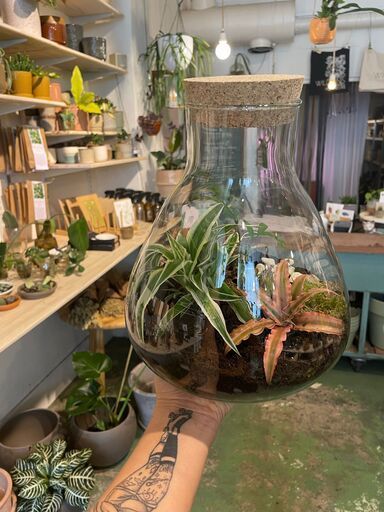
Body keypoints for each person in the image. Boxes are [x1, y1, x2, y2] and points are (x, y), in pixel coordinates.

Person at [93, 376, 231, 512]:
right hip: (144, 498)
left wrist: (183, 405)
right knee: (165, 469)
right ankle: (173, 430)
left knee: (155, 466)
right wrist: (198, 409)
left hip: (129, 495)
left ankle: (172, 431)